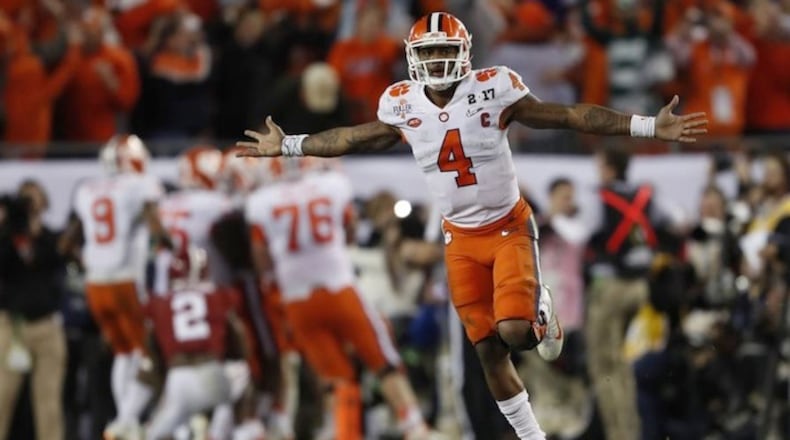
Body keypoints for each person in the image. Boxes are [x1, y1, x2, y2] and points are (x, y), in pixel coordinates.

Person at [237, 12, 708, 439]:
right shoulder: (401, 103)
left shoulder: (494, 86)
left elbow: (569, 115)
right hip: (458, 238)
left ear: (464, 53)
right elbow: (353, 136)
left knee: (516, 333)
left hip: (507, 227)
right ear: (412, 57)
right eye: (429, 52)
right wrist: (291, 145)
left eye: (446, 50)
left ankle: (539, 314)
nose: (439, 60)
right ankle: (532, 437)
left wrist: (646, 126)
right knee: (487, 350)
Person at [244, 158, 439, 440]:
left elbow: (261, 259)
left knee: (335, 377)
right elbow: (348, 232)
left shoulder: (262, 201)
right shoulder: (330, 185)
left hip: (297, 298)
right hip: (338, 288)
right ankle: (414, 426)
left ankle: (345, 433)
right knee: (382, 359)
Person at [59, 134, 168, 439]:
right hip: (125, 281)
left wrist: (92, 260)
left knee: (124, 353)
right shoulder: (140, 185)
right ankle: (126, 421)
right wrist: (169, 245)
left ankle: (125, 421)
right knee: (149, 354)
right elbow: (157, 227)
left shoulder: (87, 189)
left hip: (96, 284)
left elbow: (67, 242)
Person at [0, 180, 68, 440]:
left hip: (47, 327)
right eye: (25, 199)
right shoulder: (6, 238)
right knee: (2, 402)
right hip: (11, 327)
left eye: (35, 198)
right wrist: (7, 226)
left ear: (45, 202)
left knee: (49, 406)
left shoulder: (51, 238)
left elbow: (57, 259)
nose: (31, 204)